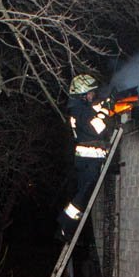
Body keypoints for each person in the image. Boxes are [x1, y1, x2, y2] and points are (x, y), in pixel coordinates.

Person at [57, 73, 116, 242]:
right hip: (90, 160)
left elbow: (93, 111)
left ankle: (67, 227)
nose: (93, 96)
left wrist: (105, 103)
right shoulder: (80, 111)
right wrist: (106, 110)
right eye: (90, 93)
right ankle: (65, 226)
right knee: (83, 196)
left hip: (87, 160)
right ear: (83, 95)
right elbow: (97, 128)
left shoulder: (80, 108)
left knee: (84, 195)